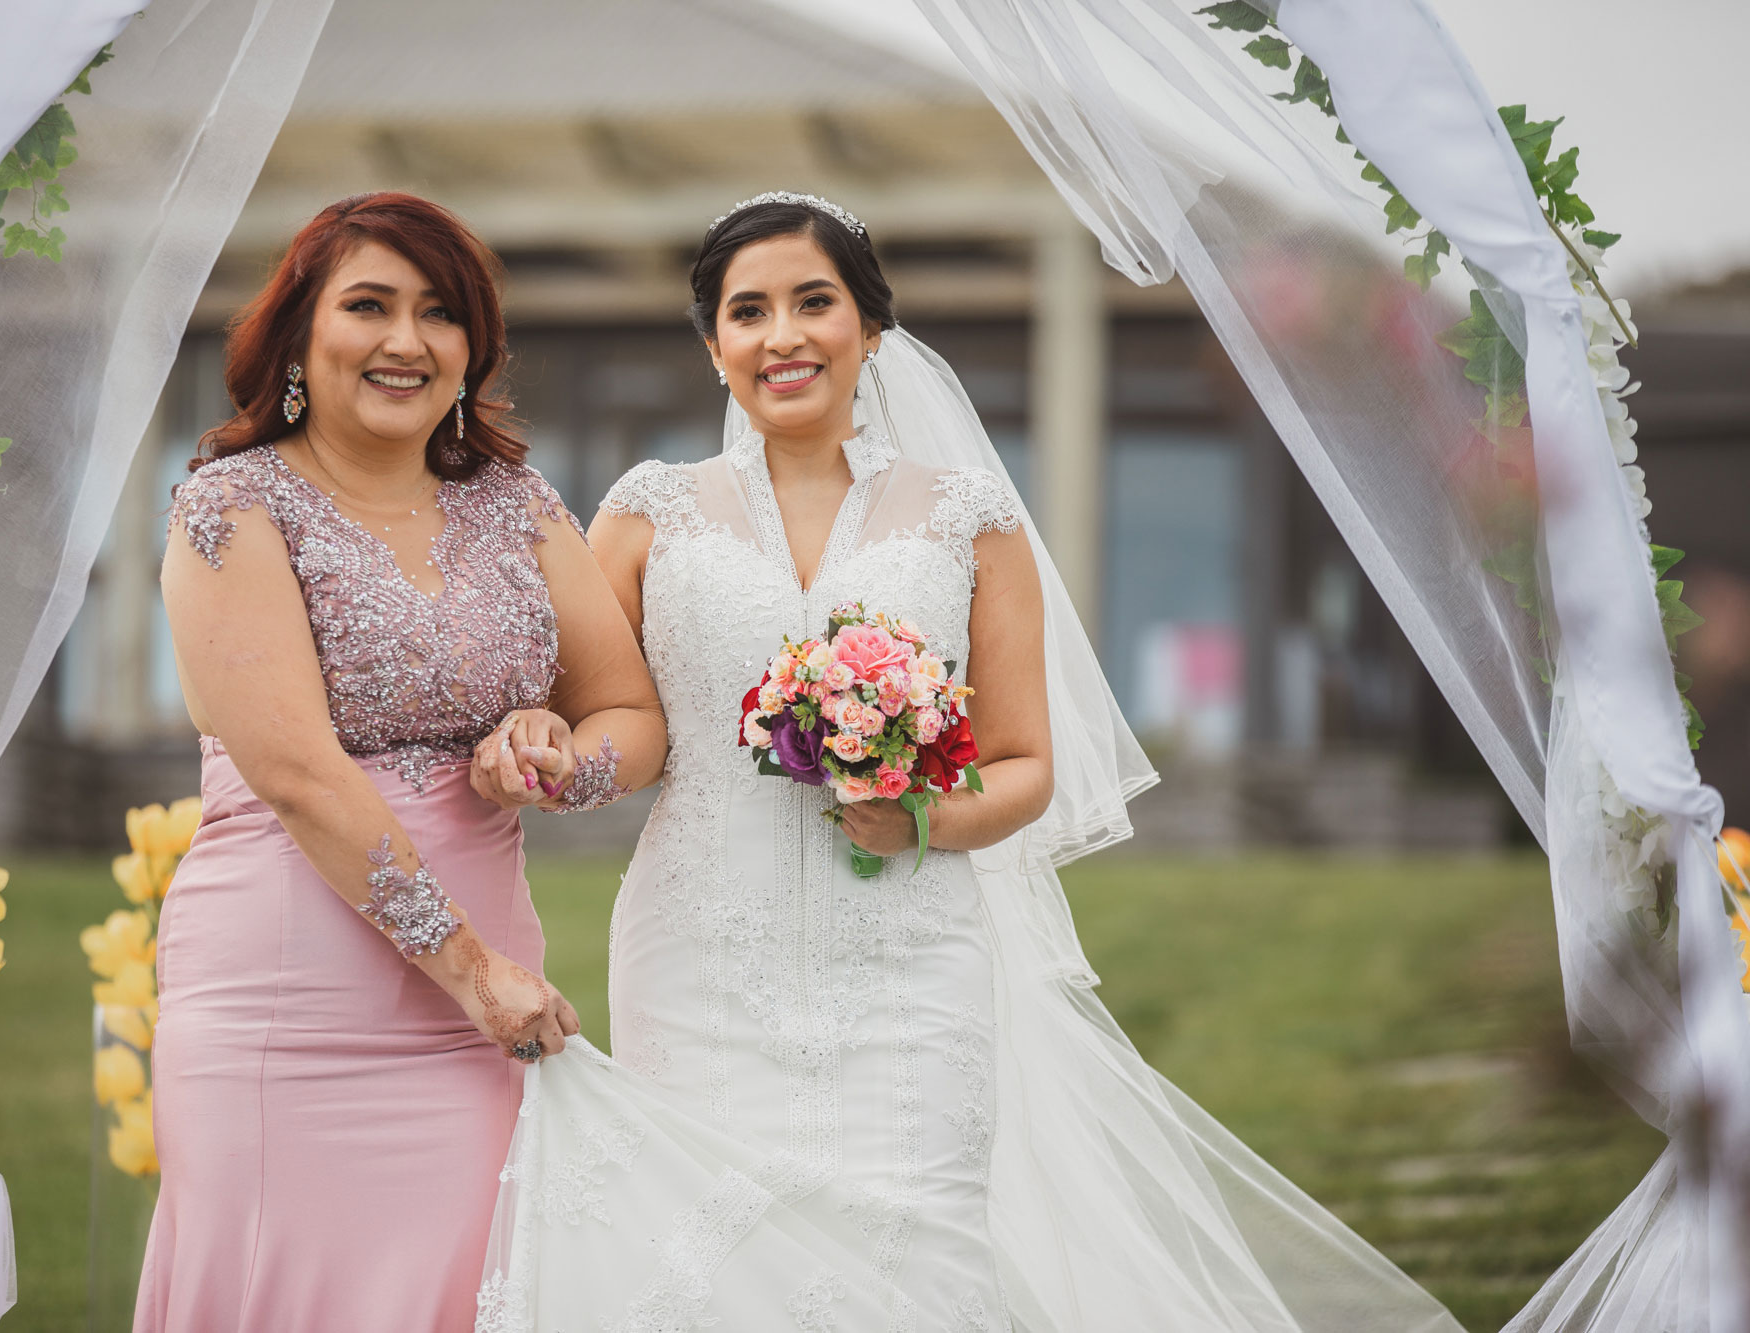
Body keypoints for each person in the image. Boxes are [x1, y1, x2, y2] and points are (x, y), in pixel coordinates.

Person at [474, 194, 1464, 1331]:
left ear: (871, 331)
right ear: (713, 346)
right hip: (698, 953)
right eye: (747, 312)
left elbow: (1026, 762)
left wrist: (923, 819)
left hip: (909, 960)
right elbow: (608, 719)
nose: (781, 335)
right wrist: (546, 748)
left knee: (918, 1260)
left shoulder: (966, 520)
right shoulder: (646, 514)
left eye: (814, 302)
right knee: (712, 1259)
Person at [137, 191, 665, 1332]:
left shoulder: (515, 504)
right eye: (367, 305)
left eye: (438, 313)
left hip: (480, 1014)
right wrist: (472, 972)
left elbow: (629, 710)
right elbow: (294, 772)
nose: (403, 341)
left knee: (472, 1292)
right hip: (290, 997)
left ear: (471, 348)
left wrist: (551, 758)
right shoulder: (230, 507)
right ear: (298, 335)